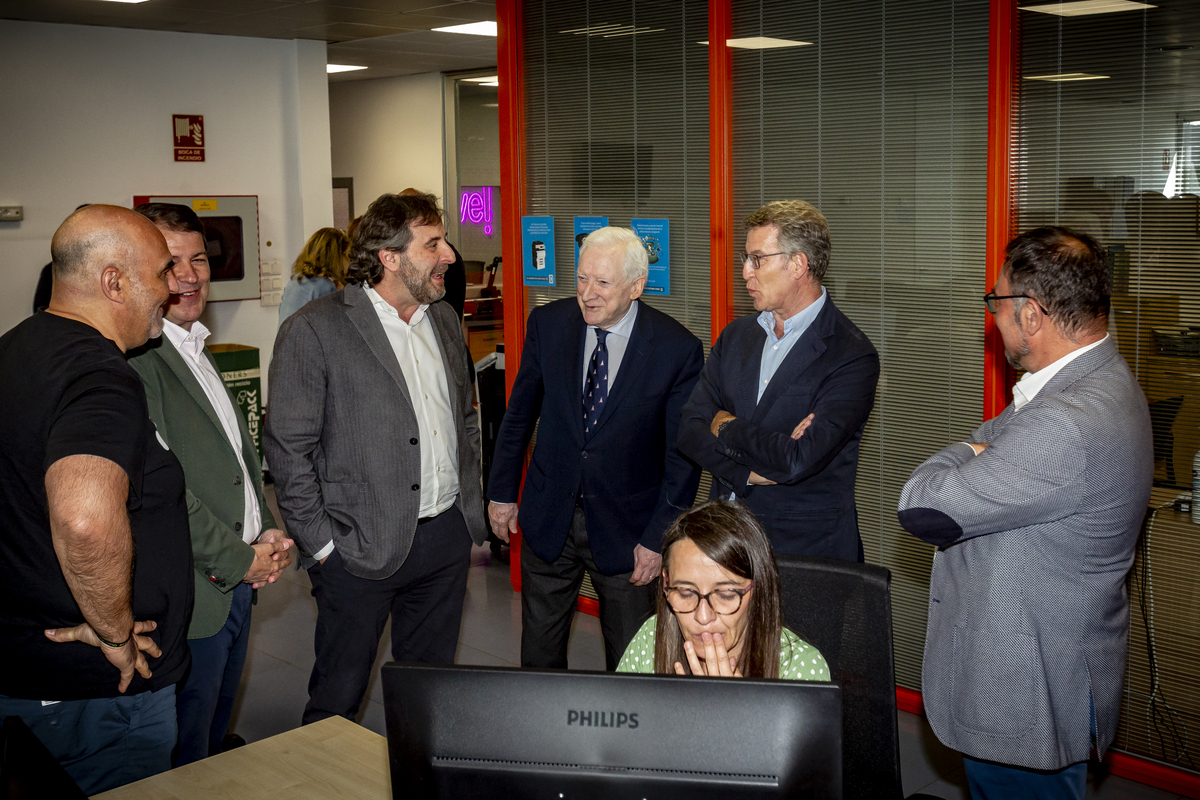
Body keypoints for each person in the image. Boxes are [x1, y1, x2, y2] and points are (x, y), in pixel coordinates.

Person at [897, 227, 1154, 800]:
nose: (994, 320)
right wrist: (987, 448)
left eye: (997, 303)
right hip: (1063, 665)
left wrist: (969, 451)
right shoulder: (1105, 377)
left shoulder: (1065, 419)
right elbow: (1001, 435)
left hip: (1025, 693)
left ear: (1031, 314)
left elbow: (919, 504)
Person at [265, 192, 487, 725]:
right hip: (356, 546)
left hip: (443, 538)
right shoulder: (316, 329)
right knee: (338, 695)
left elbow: (466, 420)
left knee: (428, 694)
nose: (449, 255)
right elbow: (287, 449)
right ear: (389, 257)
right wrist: (323, 548)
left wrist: (466, 515)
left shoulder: (445, 321)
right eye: (432, 244)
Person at [0, 205, 193, 794]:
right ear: (114, 282)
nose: (173, 286)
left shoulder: (15, 351)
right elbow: (84, 520)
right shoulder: (98, 375)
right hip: (94, 697)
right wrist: (112, 633)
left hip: (27, 673)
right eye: (161, 272)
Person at [487, 225, 705, 671]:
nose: (587, 293)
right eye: (582, 278)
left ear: (636, 286)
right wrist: (502, 492)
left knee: (631, 664)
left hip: (629, 537)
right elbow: (518, 416)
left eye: (602, 283)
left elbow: (681, 459)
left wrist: (657, 538)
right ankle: (545, 740)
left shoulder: (675, 349)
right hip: (549, 519)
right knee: (539, 658)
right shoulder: (548, 325)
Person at [128, 203, 293, 764]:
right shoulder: (138, 363)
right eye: (172, 264)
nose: (191, 276)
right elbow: (163, 494)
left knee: (215, 733)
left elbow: (237, 459)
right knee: (186, 753)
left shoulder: (195, 345)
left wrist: (266, 530)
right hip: (197, 591)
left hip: (239, 583)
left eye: (198, 259)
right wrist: (239, 559)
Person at [678, 200, 879, 561]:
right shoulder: (737, 336)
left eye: (758, 259)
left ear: (798, 263)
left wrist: (724, 424)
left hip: (803, 552)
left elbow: (798, 461)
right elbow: (689, 430)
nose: (745, 272)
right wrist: (745, 474)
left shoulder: (851, 354)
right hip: (723, 542)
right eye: (746, 258)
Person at [618, 501, 829, 680]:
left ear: (759, 589)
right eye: (685, 593)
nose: (702, 617)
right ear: (665, 585)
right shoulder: (651, 637)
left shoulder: (800, 667)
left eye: (726, 595)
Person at [278, 226, 349, 324]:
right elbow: (332, 326)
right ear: (338, 256)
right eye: (346, 256)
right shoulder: (325, 286)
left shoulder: (295, 280)